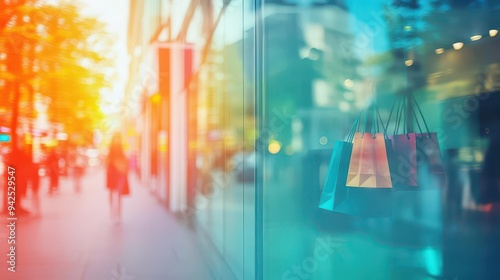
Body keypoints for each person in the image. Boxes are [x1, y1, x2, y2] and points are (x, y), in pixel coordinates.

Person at [106, 133, 130, 224]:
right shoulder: (111, 150)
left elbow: (125, 162)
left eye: (118, 138)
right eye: (116, 138)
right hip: (112, 174)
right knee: (112, 192)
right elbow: (107, 162)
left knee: (119, 193)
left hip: (120, 174)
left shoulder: (121, 150)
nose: (117, 140)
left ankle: (118, 214)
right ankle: (112, 212)